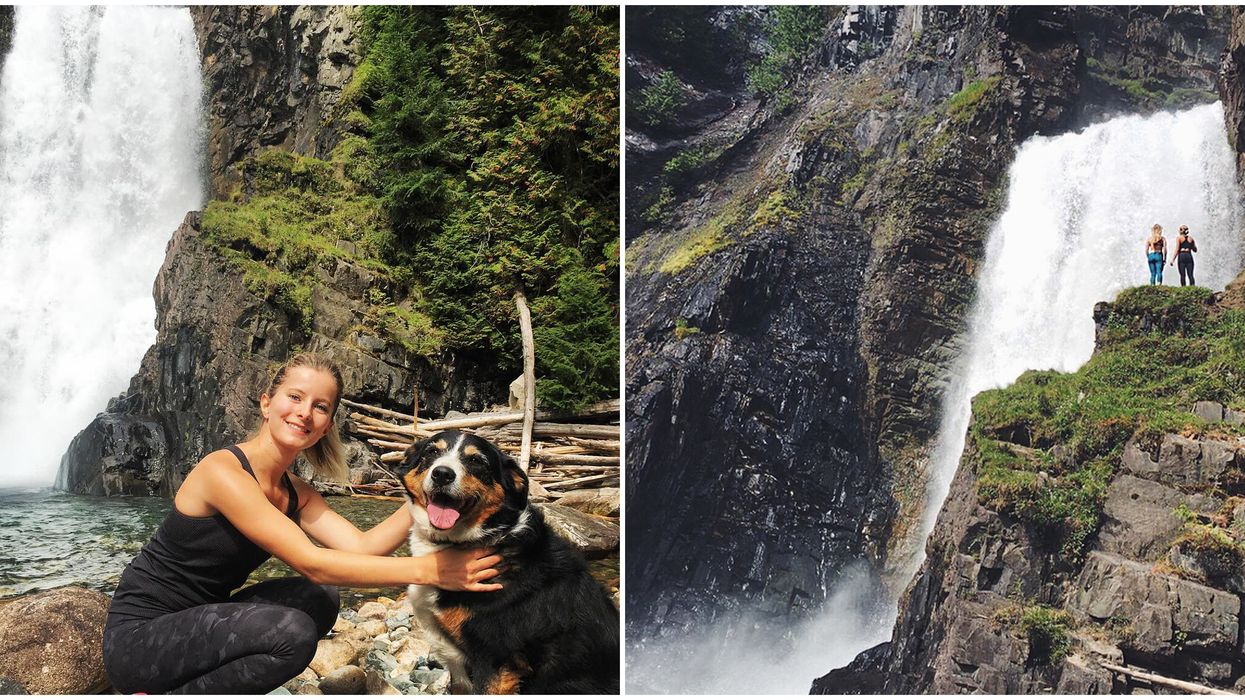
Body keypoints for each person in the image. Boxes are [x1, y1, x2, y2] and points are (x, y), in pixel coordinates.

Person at [102, 353, 502, 694]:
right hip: (141, 637)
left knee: (320, 600)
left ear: (326, 425)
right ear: (266, 403)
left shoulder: (295, 492)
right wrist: (431, 570)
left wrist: (427, 494)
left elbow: (364, 548)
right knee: (291, 634)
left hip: (200, 620)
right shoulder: (221, 471)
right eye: (294, 397)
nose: (304, 412)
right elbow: (312, 560)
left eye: (321, 406)